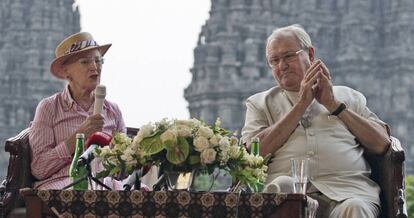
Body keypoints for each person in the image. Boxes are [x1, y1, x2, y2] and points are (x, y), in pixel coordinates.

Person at [242, 24, 390, 217]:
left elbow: (382, 144)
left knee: (356, 208)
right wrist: (300, 106)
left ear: (310, 54)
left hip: (348, 193)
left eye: (288, 56)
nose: (282, 66)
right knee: (282, 186)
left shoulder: (350, 97)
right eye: (274, 60)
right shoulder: (259, 103)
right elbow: (254, 153)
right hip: (289, 196)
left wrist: (335, 105)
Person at [29, 32, 126, 189]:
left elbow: (124, 171)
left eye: (98, 60)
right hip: (64, 186)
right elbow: (39, 169)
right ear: (67, 72)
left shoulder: (112, 110)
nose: (95, 67)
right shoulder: (49, 108)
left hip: (106, 186)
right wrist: (78, 137)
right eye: (85, 62)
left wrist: (121, 159)